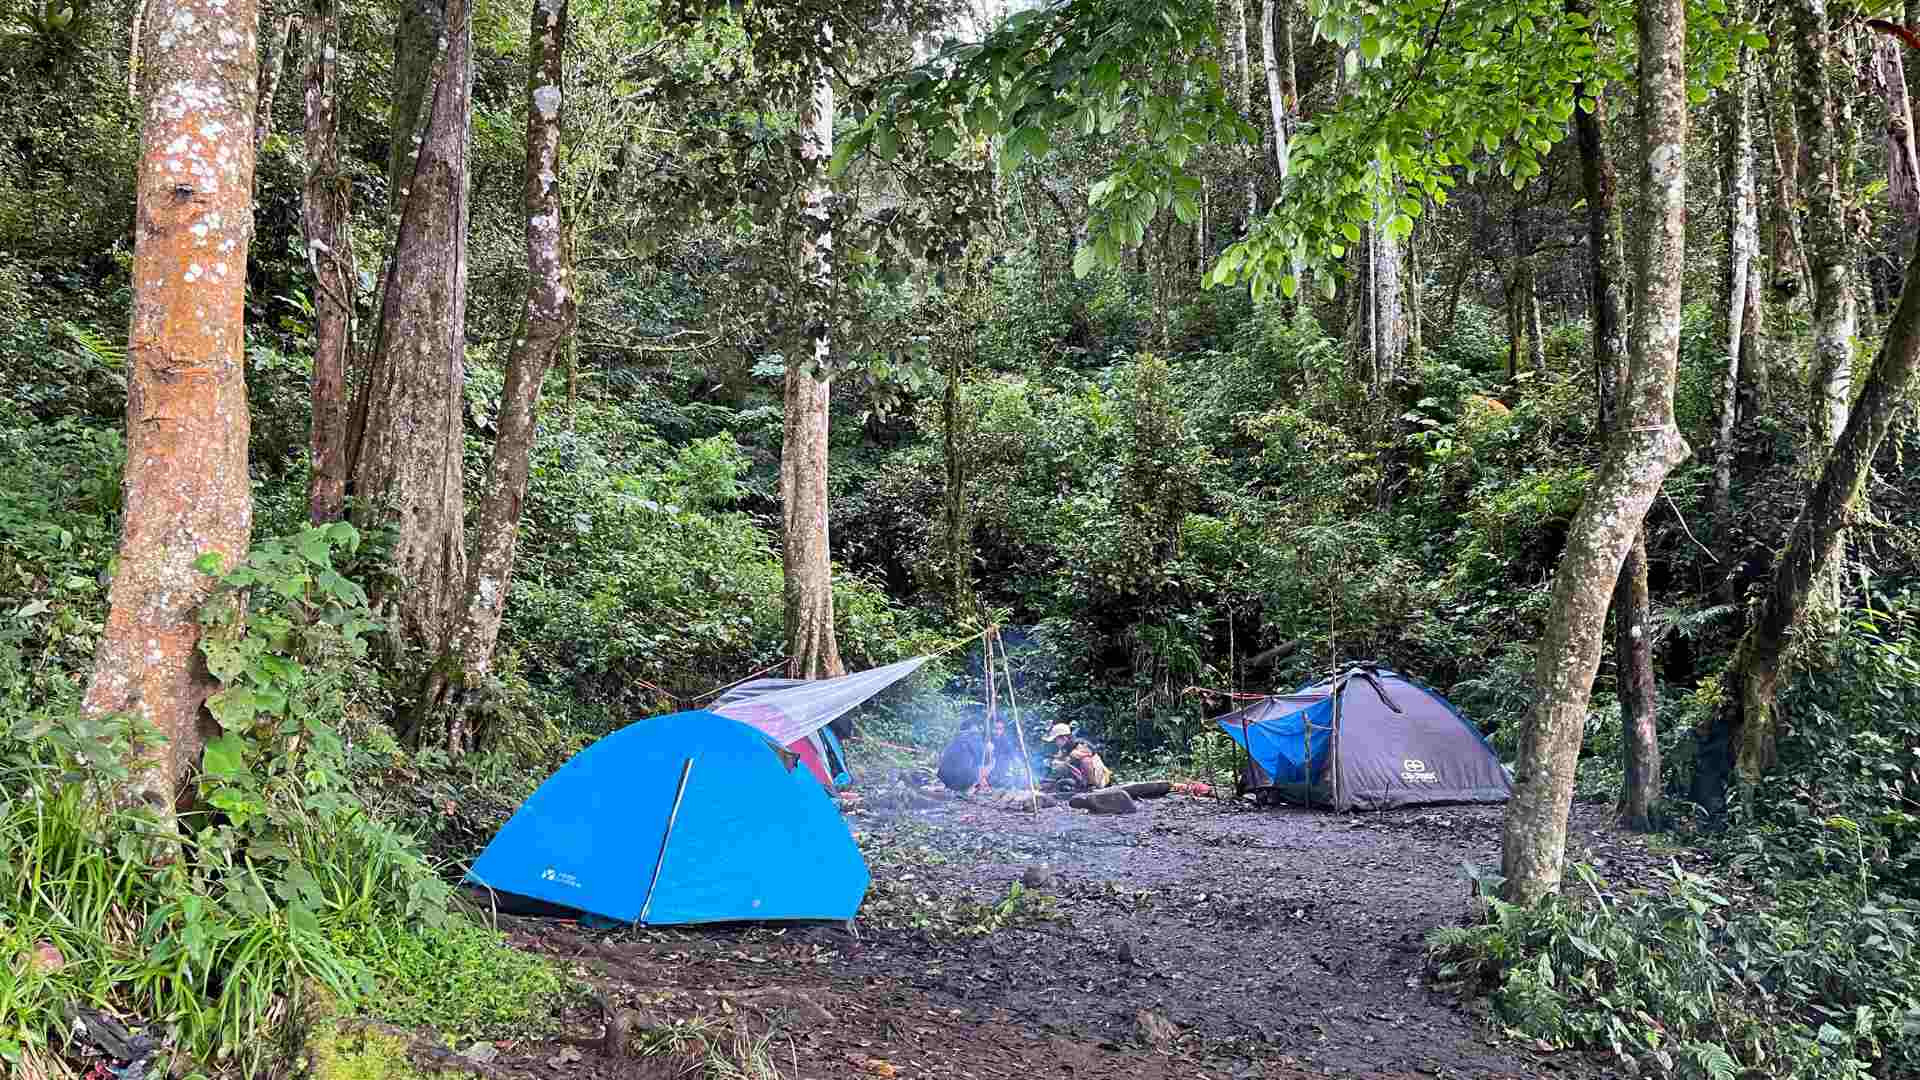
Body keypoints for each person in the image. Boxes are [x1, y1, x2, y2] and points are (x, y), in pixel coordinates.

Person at [1044, 722, 1112, 792]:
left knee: (1084, 761)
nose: (1055, 742)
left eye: (1056, 740)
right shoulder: (1065, 748)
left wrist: (1065, 761)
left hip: (1100, 779)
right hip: (1084, 780)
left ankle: (1092, 786)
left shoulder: (1081, 744)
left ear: (1064, 738)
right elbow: (1059, 758)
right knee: (1059, 766)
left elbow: (1079, 756)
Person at [937, 719, 994, 793]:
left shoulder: (955, 739)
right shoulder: (976, 738)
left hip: (945, 779)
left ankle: (959, 787)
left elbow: (942, 758)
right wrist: (989, 750)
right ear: (973, 727)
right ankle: (971, 787)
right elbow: (982, 761)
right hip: (963, 782)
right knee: (991, 761)